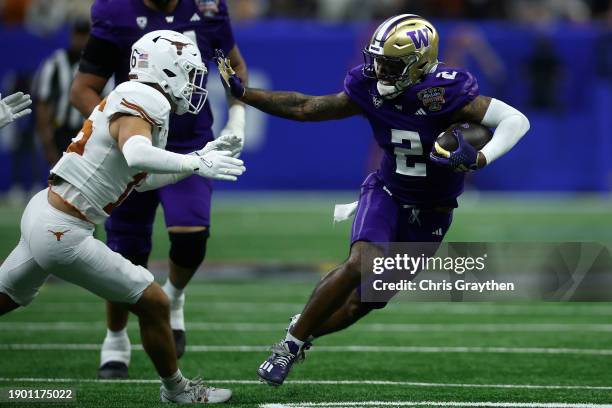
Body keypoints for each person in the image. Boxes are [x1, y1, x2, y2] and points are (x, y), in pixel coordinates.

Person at [216, 14, 530, 385]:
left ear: (419, 64)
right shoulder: (367, 86)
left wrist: (480, 157)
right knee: (361, 263)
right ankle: (288, 347)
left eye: (391, 63)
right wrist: (244, 94)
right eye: (376, 59)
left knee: (368, 300)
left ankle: (305, 329)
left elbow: (515, 119)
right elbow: (307, 108)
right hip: (386, 191)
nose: (378, 70)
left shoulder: (445, 90)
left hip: (433, 210)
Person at [0, 30, 245, 403]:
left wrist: (197, 161)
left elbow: (141, 180)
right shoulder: (147, 98)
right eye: (190, 73)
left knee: (6, 297)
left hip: (47, 212)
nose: (195, 83)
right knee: (156, 302)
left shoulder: (134, 95)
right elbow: (136, 154)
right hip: (64, 230)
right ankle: (177, 390)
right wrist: (194, 160)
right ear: (166, 69)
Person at [70, 0, 249, 379]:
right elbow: (83, 88)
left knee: (192, 237)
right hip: (135, 145)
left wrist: (238, 113)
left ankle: (174, 297)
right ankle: (115, 337)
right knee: (126, 254)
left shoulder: (207, 7)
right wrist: (117, 125)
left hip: (191, 142)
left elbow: (233, 65)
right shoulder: (115, 12)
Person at [36, 19, 112, 166]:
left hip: (87, 131)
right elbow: (43, 102)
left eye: (84, 35)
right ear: (72, 36)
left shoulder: (99, 65)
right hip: (60, 130)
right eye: (78, 35)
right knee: (58, 178)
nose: (81, 40)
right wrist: (46, 140)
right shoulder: (55, 62)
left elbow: (106, 100)